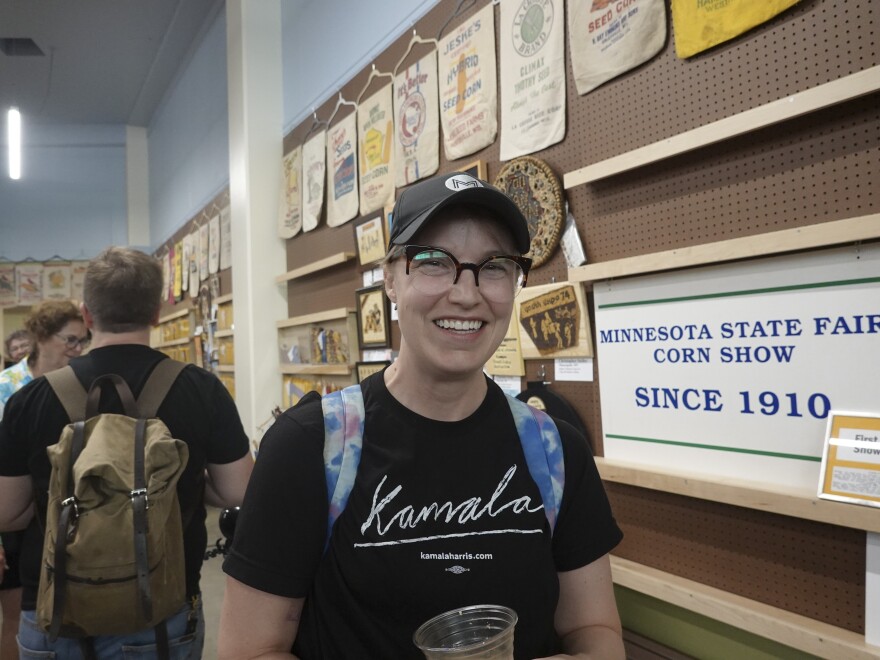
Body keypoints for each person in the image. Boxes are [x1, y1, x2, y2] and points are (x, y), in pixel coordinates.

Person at [218, 172, 625, 659]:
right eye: (434, 262)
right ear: (390, 278)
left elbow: (596, 632)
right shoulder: (310, 448)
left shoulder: (555, 451)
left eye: (493, 267)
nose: (466, 293)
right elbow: (250, 651)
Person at [0, 246, 254, 659]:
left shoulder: (31, 400)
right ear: (156, 313)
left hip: (54, 607)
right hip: (160, 607)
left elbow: (7, 511)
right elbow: (238, 491)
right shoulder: (201, 389)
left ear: (86, 315)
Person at [0, 300, 86, 660]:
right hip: (14, 519)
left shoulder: (83, 382)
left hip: (68, 520)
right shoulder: (7, 387)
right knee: (18, 618)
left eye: (84, 340)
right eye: (70, 340)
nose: (78, 349)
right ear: (41, 337)